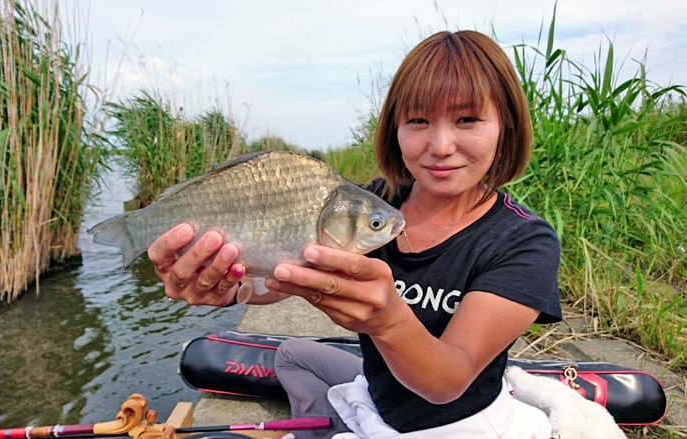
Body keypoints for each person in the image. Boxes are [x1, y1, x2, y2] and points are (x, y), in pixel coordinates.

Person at [148, 30, 563, 438]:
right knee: (292, 355)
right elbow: (283, 276)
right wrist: (228, 286)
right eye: (418, 119)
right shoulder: (374, 201)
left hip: (459, 424)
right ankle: (326, 423)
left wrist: (390, 323)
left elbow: (447, 381)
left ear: (505, 125)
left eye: (467, 120)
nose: (440, 145)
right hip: (377, 389)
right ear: (394, 127)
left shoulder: (524, 242)